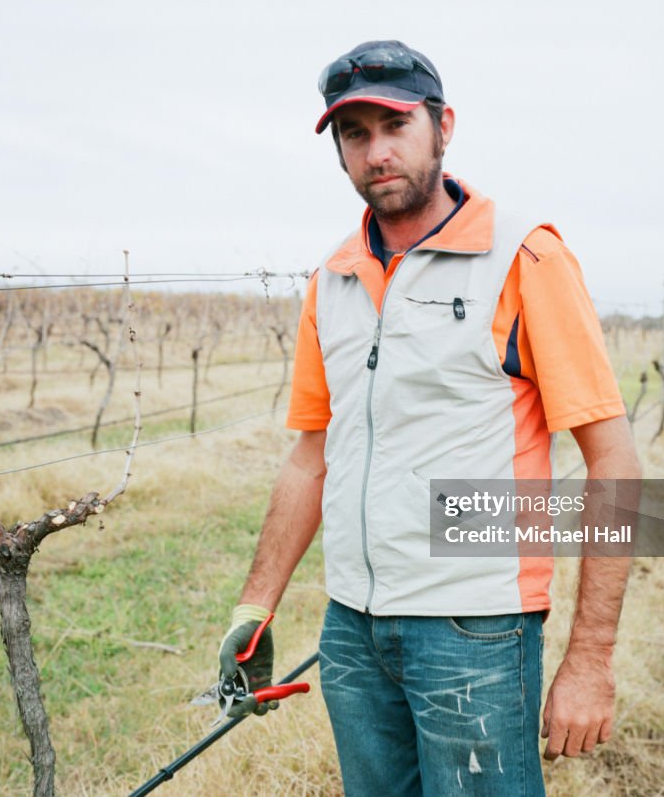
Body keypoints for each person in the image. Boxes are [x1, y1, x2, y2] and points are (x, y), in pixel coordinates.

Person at [217, 40, 641, 796]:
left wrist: (591, 658)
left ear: (443, 126)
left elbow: (613, 459)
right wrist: (257, 604)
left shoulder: (523, 257)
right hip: (351, 629)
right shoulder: (334, 279)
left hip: (475, 630)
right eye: (355, 134)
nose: (377, 151)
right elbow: (311, 457)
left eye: (396, 124)